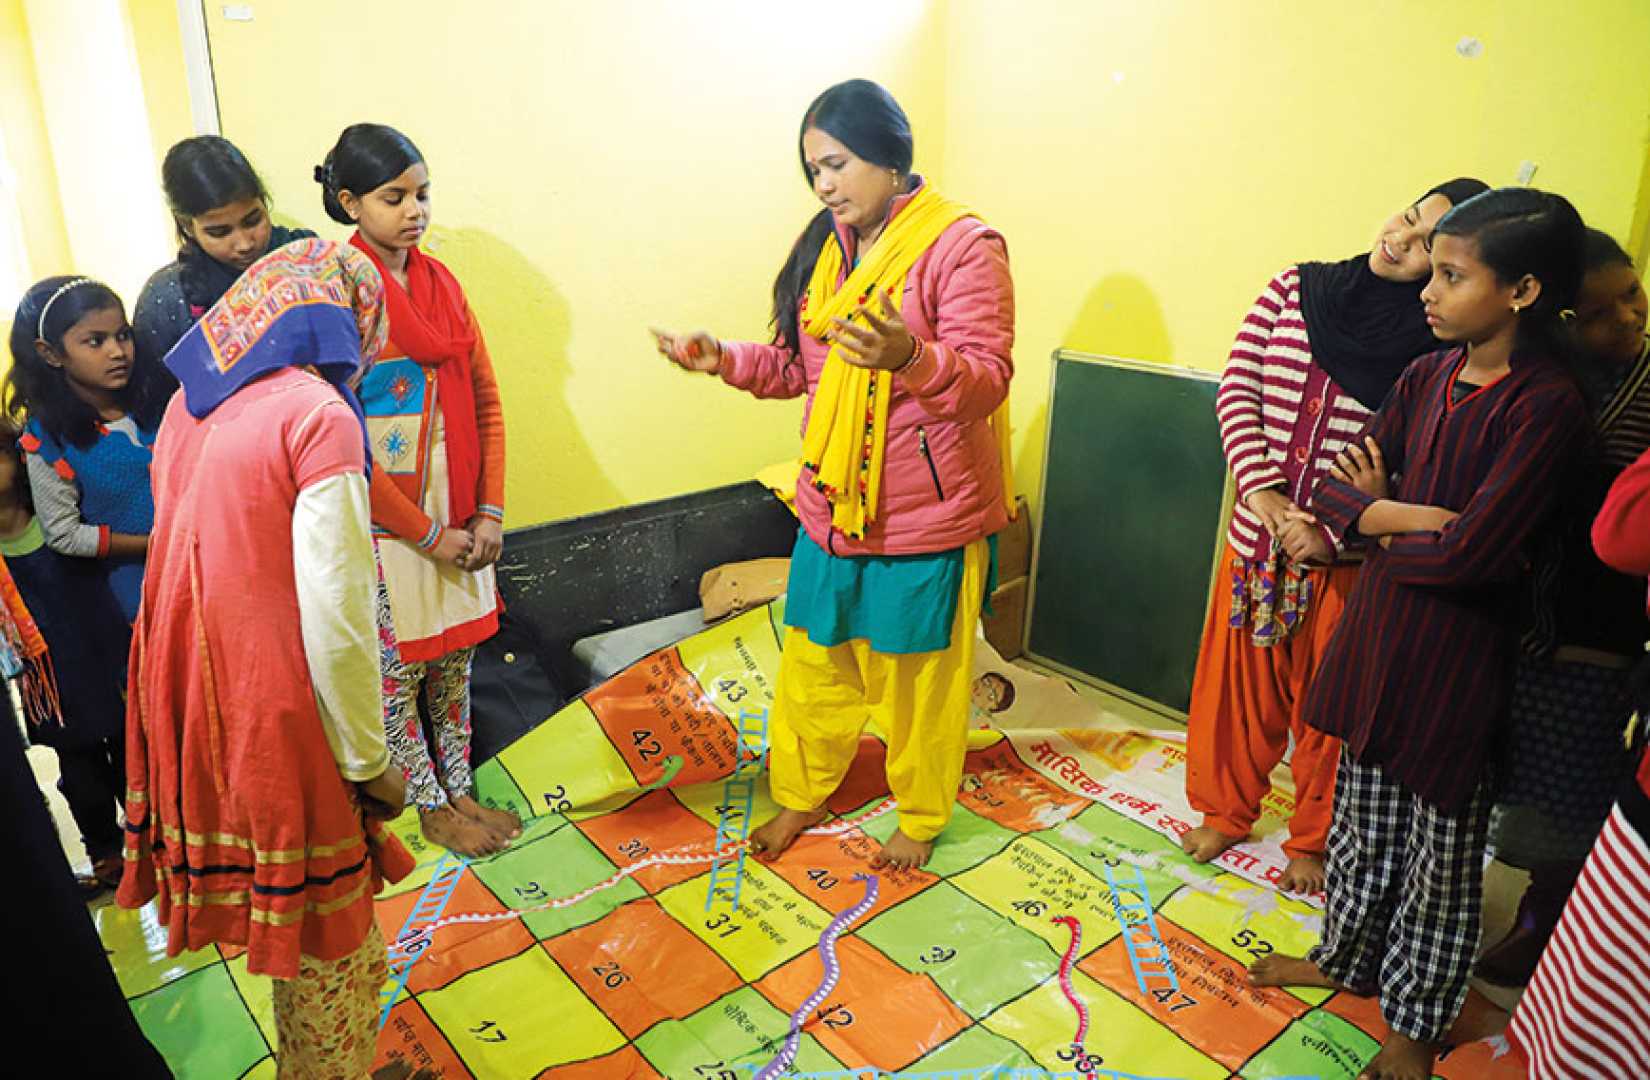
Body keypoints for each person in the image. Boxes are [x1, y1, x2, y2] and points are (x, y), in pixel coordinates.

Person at [1249, 188, 1591, 1080]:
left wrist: (1376, 523)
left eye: (1450, 275)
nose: (1427, 292)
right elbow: (1332, 491)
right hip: (1384, 641)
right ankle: (1342, 962)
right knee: (1363, 827)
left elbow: (1475, 558)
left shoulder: (1544, 406)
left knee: (1440, 860)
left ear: (1520, 291)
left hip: (1458, 664)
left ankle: (1418, 1018)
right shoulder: (1425, 377)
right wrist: (1404, 513)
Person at [651, 78, 1015, 870]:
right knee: (816, 666)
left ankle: (919, 814)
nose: (823, 184)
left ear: (891, 159)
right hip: (834, 506)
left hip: (928, 517)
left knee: (922, 684)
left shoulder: (963, 246)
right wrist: (723, 362)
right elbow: (796, 368)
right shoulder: (826, 246)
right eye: (813, 168)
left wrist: (911, 358)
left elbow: (986, 379)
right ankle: (800, 797)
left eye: (838, 164)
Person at [118, 238, 412, 1077]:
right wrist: (367, 760)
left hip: (187, 693)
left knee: (306, 933)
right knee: (332, 941)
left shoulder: (191, 405)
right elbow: (338, 615)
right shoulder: (316, 416)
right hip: (278, 699)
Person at [1183, 178, 1488, 894]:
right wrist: (1263, 496)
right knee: (1235, 691)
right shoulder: (1297, 289)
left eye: (1427, 250)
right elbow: (1237, 390)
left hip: (1344, 561)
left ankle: (1314, 840)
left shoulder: (1437, 350)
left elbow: (1409, 456)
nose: (1400, 241)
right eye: (1406, 220)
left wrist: (1324, 527)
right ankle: (1224, 811)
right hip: (1256, 542)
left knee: (1330, 710)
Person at [315, 123, 519, 857]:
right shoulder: (339, 293)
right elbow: (341, 442)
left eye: (423, 193)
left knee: (455, 664)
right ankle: (426, 801)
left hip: (459, 509)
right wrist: (427, 533)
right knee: (398, 673)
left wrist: (488, 511)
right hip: (388, 523)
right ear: (349, 203)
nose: (415, 210)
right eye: (393, 196)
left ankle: (460, 787)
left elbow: (488, 400)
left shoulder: (443, 286)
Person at [1478, 228, 1650, 985]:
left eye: (1634, 293)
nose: (1629, 319)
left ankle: (1547, 920)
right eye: (1599, 312)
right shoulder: (1534, 376)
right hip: (1514, 610)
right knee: (1508, 774)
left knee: (1576, 781)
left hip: (1603, 624)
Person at [0, 416, 130, 891]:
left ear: (16, 457)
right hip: (47, 683)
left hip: (99, 654)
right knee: (79, 772)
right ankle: (104, 852)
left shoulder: (56, 521)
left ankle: (145, 838)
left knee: (129, 752)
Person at [7, 276, 167, 623]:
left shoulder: (157, 400)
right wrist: (153, 544)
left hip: (208, 558)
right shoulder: (49, 437)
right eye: (95, 341)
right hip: (140, 587)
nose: (117, 352)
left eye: (123, 335)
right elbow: (64, 534)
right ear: (50, 353)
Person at [133, 135, 316, 370]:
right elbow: (160, 399)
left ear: (263, 201)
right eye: (220, 232)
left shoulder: (306, 256)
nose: (244, 244)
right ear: (188, 226)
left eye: (253, 221)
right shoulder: (167, 298)